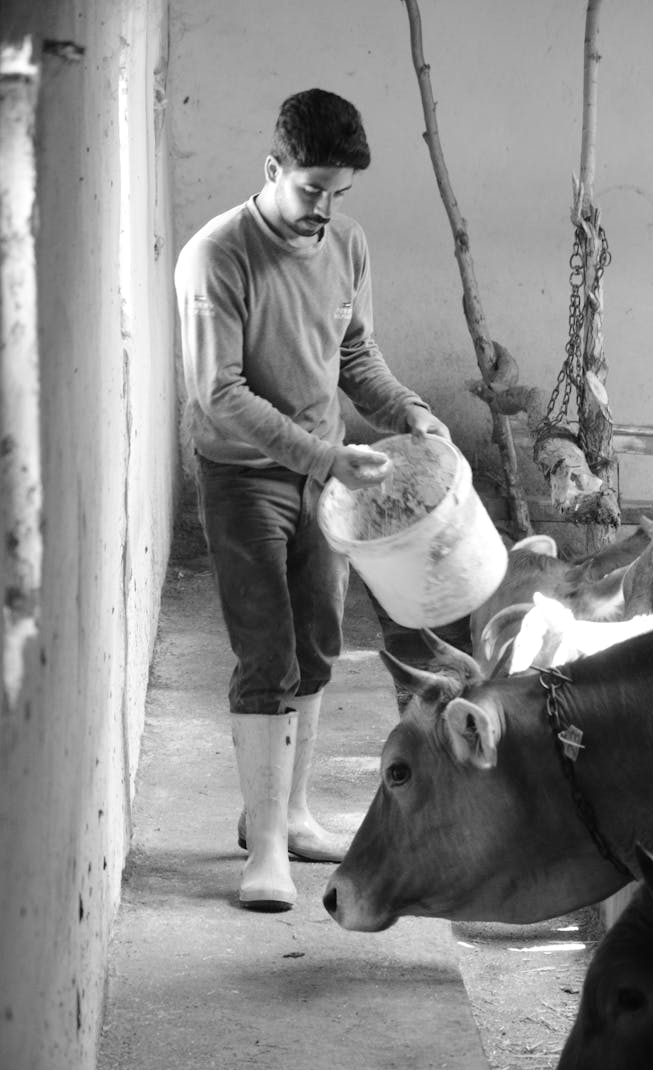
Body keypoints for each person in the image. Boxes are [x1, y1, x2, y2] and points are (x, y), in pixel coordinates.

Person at [174, 88, 449, 912]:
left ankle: (290, 813)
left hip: (324, 471)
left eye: (339, 193)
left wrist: (411, 412)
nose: (324, 209)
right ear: (273, 169)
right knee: (268, 654)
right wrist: (325, 456)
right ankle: (263, 852)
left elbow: (353, 352)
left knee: (323, 644)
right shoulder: (216, 257)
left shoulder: (347, 242)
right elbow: (218, 393)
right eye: (311, 189)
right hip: (244, 474)